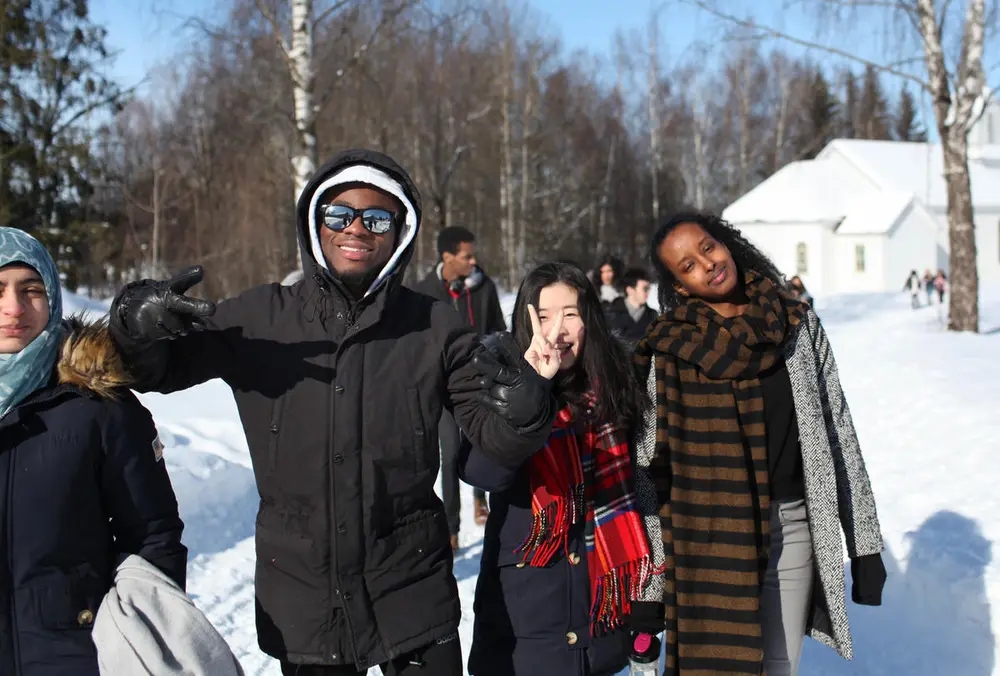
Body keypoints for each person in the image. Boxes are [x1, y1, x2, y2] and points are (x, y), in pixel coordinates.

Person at [106, 149, 556, 676]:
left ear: (400, 232)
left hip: (410, 590)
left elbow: (489, 440)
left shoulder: (436, 326)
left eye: (377, 217)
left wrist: (524, 410)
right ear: (315, 224)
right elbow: (156, 371)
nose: (357, 228)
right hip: (302, 595)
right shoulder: (260, 317)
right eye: (339, 214)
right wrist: (135, 329)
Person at [634, 212, 886, 676]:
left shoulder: (797, 326)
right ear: (680, 287)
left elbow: (837, 433)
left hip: (791, 529)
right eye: (687, 265)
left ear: (726, 244)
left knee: (777, 667)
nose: (706, 264)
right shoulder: (668, 351)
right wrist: (650, 588)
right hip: (707, 542)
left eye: (707, 248)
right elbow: (649, 471)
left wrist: (864, 545)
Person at [0, 227, 187, 676]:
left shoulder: (99, 408)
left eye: (32, 290)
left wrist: (139, 643)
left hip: (77, 659)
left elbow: (152, 537)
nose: (14, 308)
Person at [460, 262, 659, 676]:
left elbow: (645, 484)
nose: (557, 330)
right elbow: (484, 473)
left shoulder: (621, 384)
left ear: (590, 318)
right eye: (543, 316)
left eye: (570, 313)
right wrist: (532, 388)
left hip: (602, 607)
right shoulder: (499, 379)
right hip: (525, 611)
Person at [413, 226, 507, 547]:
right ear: (447, 257)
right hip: (444, 389)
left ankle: (482, 499)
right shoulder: (423, 292)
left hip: (483, 383)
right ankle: (452, 529)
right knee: (450, 454)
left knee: (486, 445)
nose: (473, 261)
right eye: (467, 256)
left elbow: (500, 332)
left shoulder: (485, 287)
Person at [605, 266, 658, 345]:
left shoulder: (652, 315)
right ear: (630, 290)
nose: (648, 292)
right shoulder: (610, 314)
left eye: (649, 288)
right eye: (644, 288)